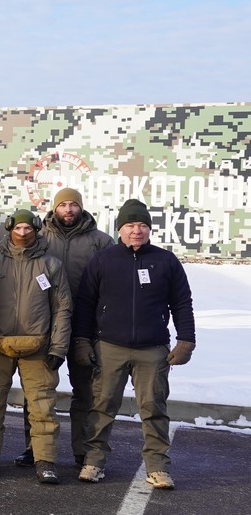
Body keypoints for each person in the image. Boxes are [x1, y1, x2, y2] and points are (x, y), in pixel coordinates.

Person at [74, 199, 195, 490]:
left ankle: (158, 467)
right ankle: (94, 461)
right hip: (109, 347)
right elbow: (86, 303)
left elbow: (181, 303)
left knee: (153, 407)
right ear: (120, 229)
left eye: (142, 225)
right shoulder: (103, 260)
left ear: (150, 229)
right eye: (130, 225)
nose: (137, 230)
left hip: (152, 349)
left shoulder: (166, 261)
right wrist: (81, 341)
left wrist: (186, 341)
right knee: (102, 406)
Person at [0, 209, 71, 484]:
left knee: (42, 407)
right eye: (18, 228)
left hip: (39, 347)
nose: (23, 233)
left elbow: (63, 308)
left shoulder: (51, 265)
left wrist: (57, 348)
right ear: (9, 229)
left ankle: (45, 461)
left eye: (29, 228)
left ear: (36, 229)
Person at [27, 187, 113, 467]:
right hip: (44, 327)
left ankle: (83, 449)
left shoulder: (101, 242)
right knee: (38, 393)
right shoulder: (39, 237)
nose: (68, 210)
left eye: (73, 205)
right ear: (55, 208)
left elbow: (112, 287)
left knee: (86, 392)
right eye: (63, 205)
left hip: (84, 329)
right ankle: (34, 448)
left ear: (81, 207)